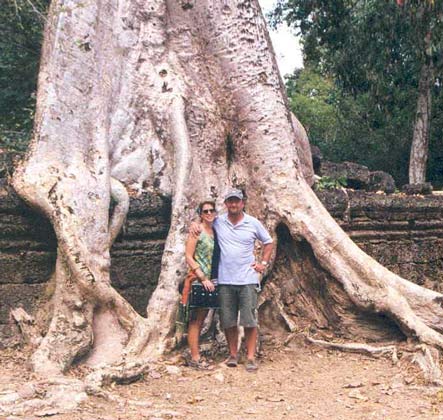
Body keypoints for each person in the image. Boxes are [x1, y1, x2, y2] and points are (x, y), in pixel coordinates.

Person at [191, 189, 273, 372]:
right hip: (225, 280)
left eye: (237, 201)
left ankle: (250, 357)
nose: (233, 205)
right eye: (230, 202)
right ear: (226, 204)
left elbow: (268, 242)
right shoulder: (219, 222)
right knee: (228, 321)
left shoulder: (253, 223)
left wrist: (263, 263)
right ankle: (233, 354)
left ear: (242, 203)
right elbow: (205, 221)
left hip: (247, 279)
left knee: (249, 320)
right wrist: (194, 224)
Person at [184, 200, 218, 369]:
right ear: (201, 214)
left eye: (212, 210)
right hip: (200, 281)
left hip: (215, 280)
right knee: (196, 319)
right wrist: (202, 277)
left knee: (203, 317)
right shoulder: (197, 231)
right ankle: (195, 358)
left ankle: (195, 354)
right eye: (205, 211)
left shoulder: (217, 230)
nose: (209, 213)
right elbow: (189, 256)